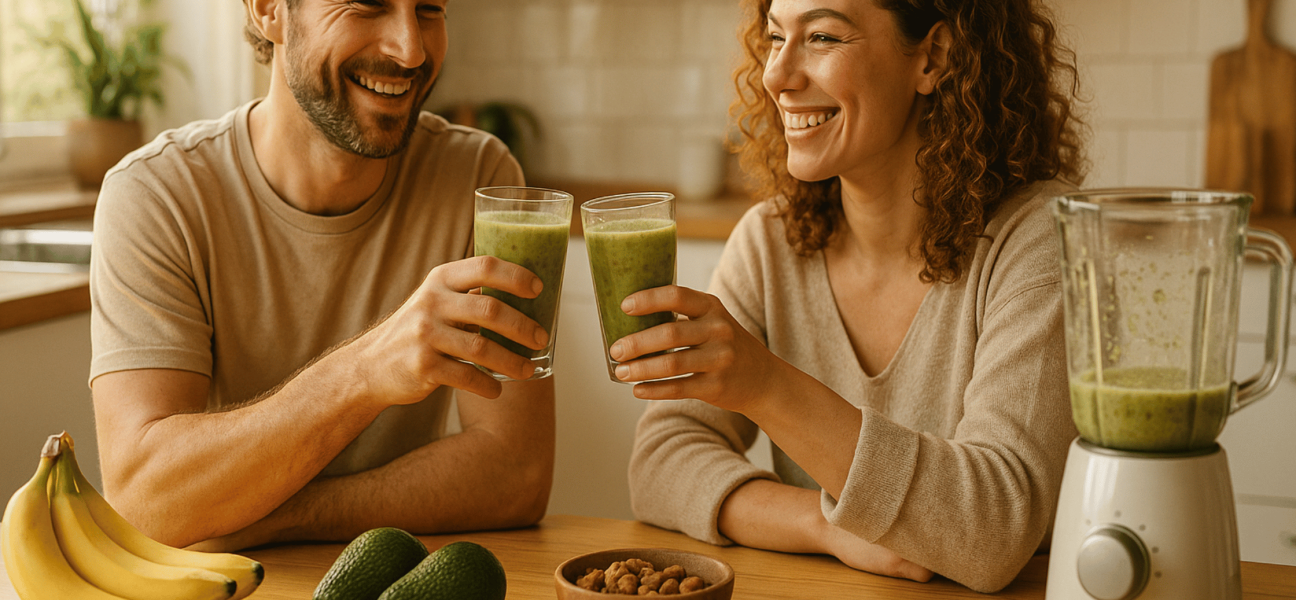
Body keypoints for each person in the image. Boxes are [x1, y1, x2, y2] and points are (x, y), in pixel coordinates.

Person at [623, 0, 1086, 592]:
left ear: (934, 58)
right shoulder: (770, 242)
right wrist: (825, 527)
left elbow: (990, 533)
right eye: (773, 37)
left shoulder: (1038, 240)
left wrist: (764, 385)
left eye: (820, 36)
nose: (776, 76)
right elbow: (661, 460)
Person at [88, 0, 555, 551]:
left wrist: (271, 516)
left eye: (429, 9)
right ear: (268, 11)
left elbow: (516, 471)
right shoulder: (157, 196)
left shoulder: (480, 179)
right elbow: (145, 500)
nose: (411, 48)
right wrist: (365, 372)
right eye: (367, 6)